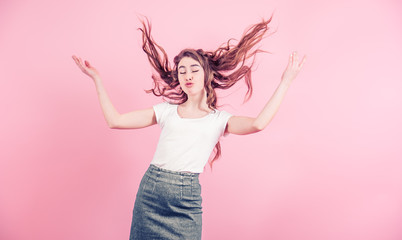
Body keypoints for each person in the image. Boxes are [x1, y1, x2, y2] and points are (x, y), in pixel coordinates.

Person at [72, 16, 305, 240]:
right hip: (151, 194)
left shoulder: (218, 120)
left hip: (186, 201)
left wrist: (285, 81)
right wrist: (97, 80)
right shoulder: (166, 110)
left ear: (206, 74)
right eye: (182, 71)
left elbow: (258, 124)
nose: (187, 75)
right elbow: (115, 121)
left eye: (193, 69)